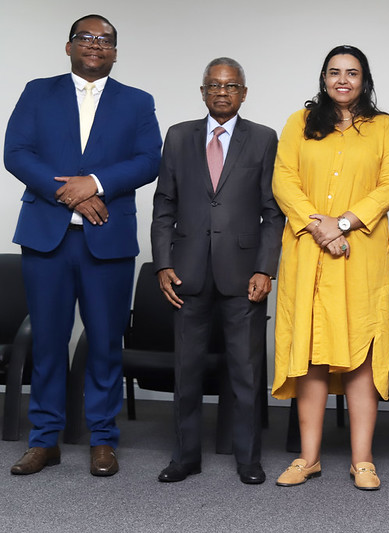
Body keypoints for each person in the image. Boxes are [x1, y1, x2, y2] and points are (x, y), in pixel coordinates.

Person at [4, 14, 161, 476]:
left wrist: (93, 184)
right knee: (48, 343)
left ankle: (103, 440)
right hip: (46, 240)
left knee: (106, 345)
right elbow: (16, 153)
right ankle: (44, 441)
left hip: (107, 243)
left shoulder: (136, 102)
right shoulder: (38, 91)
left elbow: (148, 160)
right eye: (87, 37)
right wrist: (66, 192)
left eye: (106, 39)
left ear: (115, 51)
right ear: (69, 46)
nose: (96, 44)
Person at [271, 45, 389, 490]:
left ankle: (362, 460)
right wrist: (320, 227)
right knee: (310, 356)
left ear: (364, 79)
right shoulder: (300, 122)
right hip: (309, 253)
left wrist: (344, 223)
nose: (342, 80)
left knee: (360, 358)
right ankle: (308, 458)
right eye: (334, 72)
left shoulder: (383, 128)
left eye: (352, 72)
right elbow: (283, 178)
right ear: (323, 78)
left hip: (360, 256)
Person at [151, 58, 284, 485]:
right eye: (213, 85)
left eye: (231, 86)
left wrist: (266, 268)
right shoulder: (178, 136)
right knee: (186, 370)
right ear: (203, 91)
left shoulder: (263, 139)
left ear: (244, 93)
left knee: (245, 371)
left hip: (244, 274)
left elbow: (273, 212)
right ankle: (185, 457)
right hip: (186, 272)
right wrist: (163, 263)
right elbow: (163, 205)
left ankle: (248, 460)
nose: (222, 92)